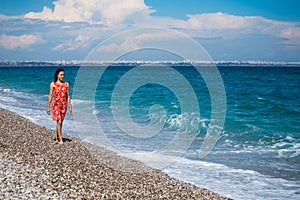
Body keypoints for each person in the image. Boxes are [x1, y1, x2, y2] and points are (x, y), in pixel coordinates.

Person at [47, 68, 72, 144]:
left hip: (63, 105)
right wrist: (48, 107)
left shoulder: (66, 84)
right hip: (56, 104)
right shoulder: (53, 84)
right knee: (59, 121)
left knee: (60, 122)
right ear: (57, 75)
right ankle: (60, 138)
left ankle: (58, 135)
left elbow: (68, 96)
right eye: (61, 75)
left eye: (63, 75)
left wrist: (70, 107)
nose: (62, 76)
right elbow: (50, 96)